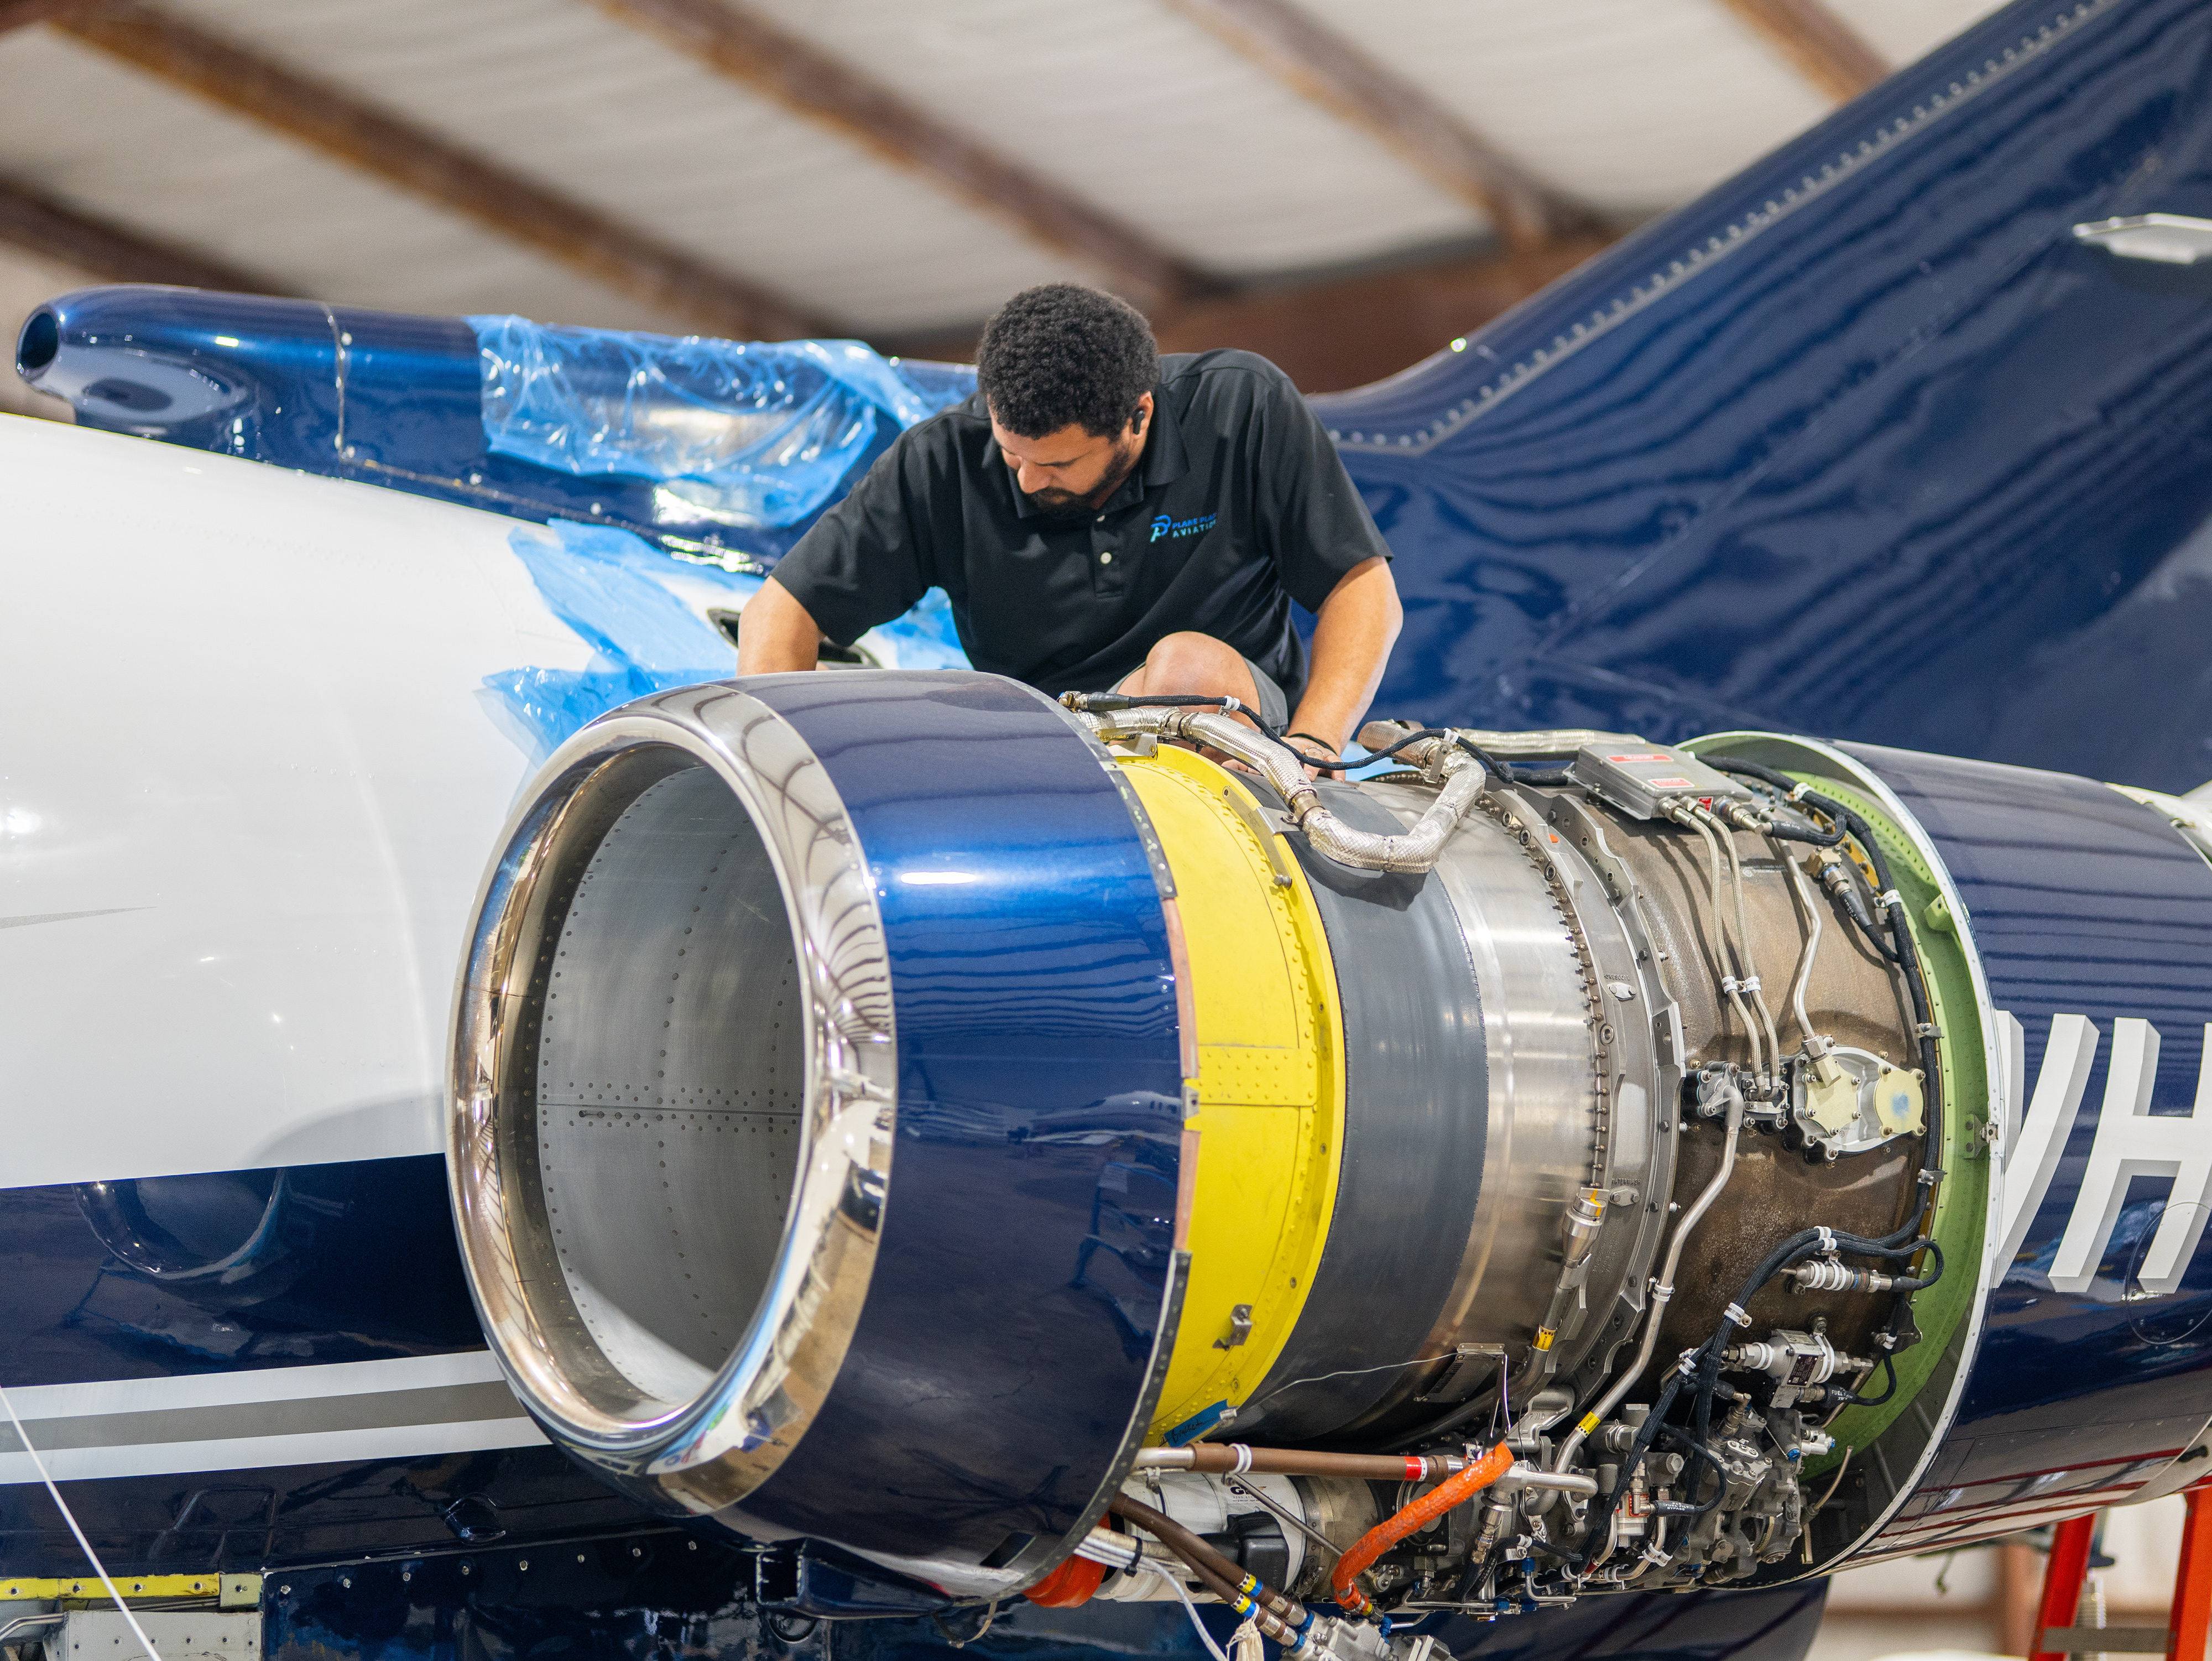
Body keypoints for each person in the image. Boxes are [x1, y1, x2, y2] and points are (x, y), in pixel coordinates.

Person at [737, 282, 1401, 769]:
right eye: (1011, 454)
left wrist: (1315, 743)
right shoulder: (942, 460)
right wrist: (782, 774)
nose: (1026, 480)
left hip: (1230, 727)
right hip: (1047, 751)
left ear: (1138, 418)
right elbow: (780, 613)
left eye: (1056, 463)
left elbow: (1363, 593)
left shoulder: (1241, 406)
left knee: (1186, 667)